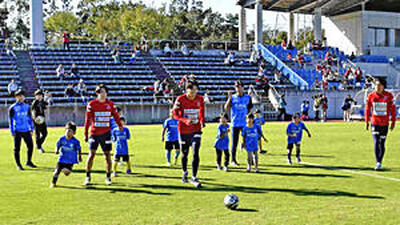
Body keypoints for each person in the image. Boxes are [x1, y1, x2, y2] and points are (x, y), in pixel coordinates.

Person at [84, 84, 123, 185]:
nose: (103, 94)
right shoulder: (92, 104)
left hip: (106, 133)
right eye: (101, 92)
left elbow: (116, 116)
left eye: (105, 92)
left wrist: (120, 125)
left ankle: (108, 177)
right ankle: (87, 176)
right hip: (94, 133)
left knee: (107, 155)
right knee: (91, 154)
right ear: (97, 93)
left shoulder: (110, 104)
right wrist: (86, 133)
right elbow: (87, 120)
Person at [172, 82, 205, 188]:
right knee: (184, 154)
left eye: (196, 91)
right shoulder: (180, 99)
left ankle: (194, 176)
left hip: (196, 130)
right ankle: (185, 172)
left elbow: (201, 111)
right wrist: (185, 120)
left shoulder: (200, 99)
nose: (194, 94)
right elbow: (174, 114)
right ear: (187, 90)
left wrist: (202, 120)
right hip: (184, 130)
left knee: (196, 152)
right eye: (192, 91)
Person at [365, 78, 396, 170]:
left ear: (383, 86)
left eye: (379, 85)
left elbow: (393, 110)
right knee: (376, 141)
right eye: (376, 85)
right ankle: (377, 162)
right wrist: (367, 121)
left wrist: (393, 122)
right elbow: (367, 109)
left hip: (385, 124)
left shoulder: (389, 96)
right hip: (375, 123)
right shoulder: (371, 96)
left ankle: (380, 162)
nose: (377, 87)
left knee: (382, 142)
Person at [224, 80, 253, 166]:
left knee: (249, 141)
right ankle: (233, 160)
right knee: (234, 143)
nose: (238, 88)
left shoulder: (247, 97)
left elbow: (249, 108)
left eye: (240, 86)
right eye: (237, 87)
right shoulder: (232, 97)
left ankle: (250, 159)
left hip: (244, 123)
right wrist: (229, 99)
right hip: (235, 123)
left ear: (243, 87)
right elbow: (226, 107)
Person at [8, 90, 36, 170]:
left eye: (22, 96)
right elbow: (10, 120)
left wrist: (31, 128)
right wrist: (12, 131)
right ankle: (18, 165)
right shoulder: (12, 108)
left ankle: (29, 161)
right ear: (16, 97)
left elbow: (29, 118)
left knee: (30, 146)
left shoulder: (27, 107)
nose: (21, 97)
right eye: (19, 96)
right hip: (17, 130)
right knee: (17, 148)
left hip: (26, 129)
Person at [50, 121, 82, 188]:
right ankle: (53, 183)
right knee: (56, 171)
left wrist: (80, 157)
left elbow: (79, 148)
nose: (68, 133)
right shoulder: (62, 139)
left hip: (70, 160)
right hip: (62, 159)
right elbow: (58, 145)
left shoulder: (75, 141)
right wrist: (56, 150)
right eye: (67, 131)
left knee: (67, 173)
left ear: (74, 133)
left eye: (70, 131)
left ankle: (62, 169)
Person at [31, 89, 48, 154]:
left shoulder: (42, 102)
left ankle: (38, 144)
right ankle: (39, 147)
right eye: (38, 95)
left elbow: (46, 105)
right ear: (35, 96)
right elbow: (32, 111)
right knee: (37, 134)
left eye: (40, 95)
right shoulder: (34, 102)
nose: (39, 96)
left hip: (42, 119)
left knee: (45, 133)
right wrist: (35, 118)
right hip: (36, 120)